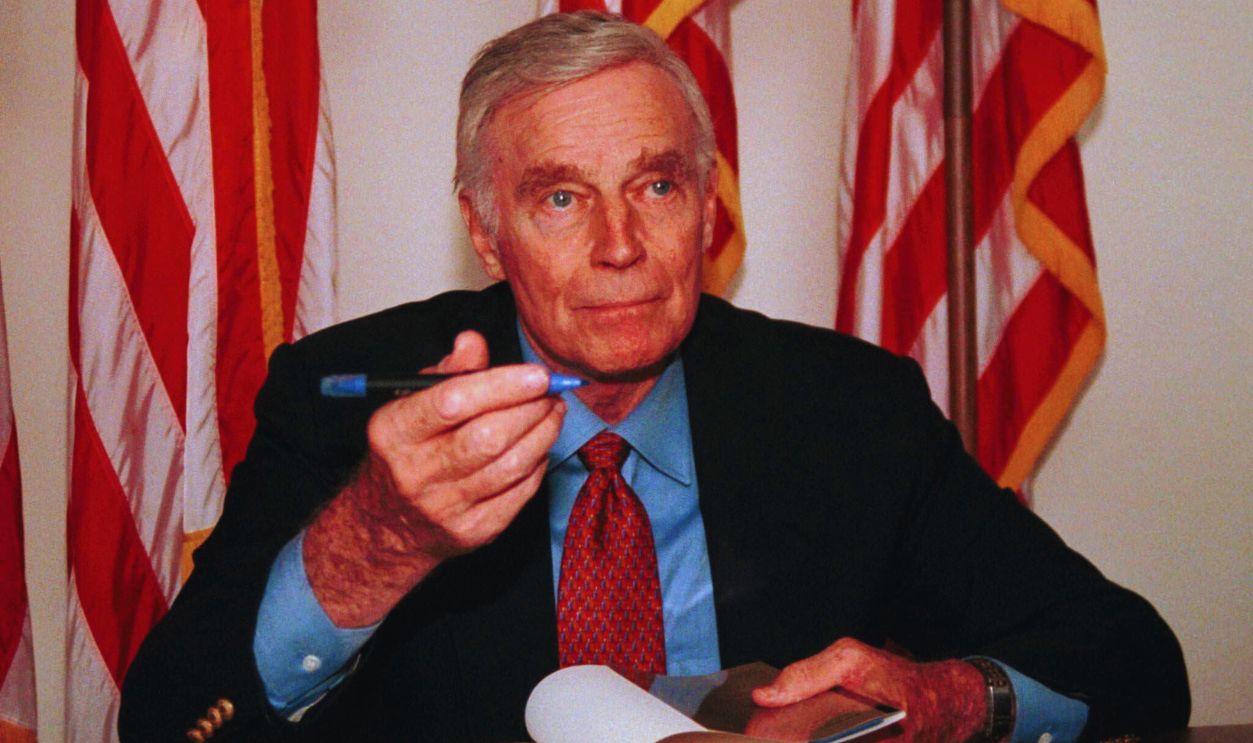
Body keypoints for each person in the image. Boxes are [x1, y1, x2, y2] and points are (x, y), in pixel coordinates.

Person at [119, 12, 1188, 742]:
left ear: (707, 206)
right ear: (483, 233)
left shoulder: (848, 409)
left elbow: (1135, 661)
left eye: (656, 184)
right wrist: (374, 542)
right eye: (558, 199)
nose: (621, 244)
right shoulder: (344, 397)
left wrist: (954, 695)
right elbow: (168, 717)